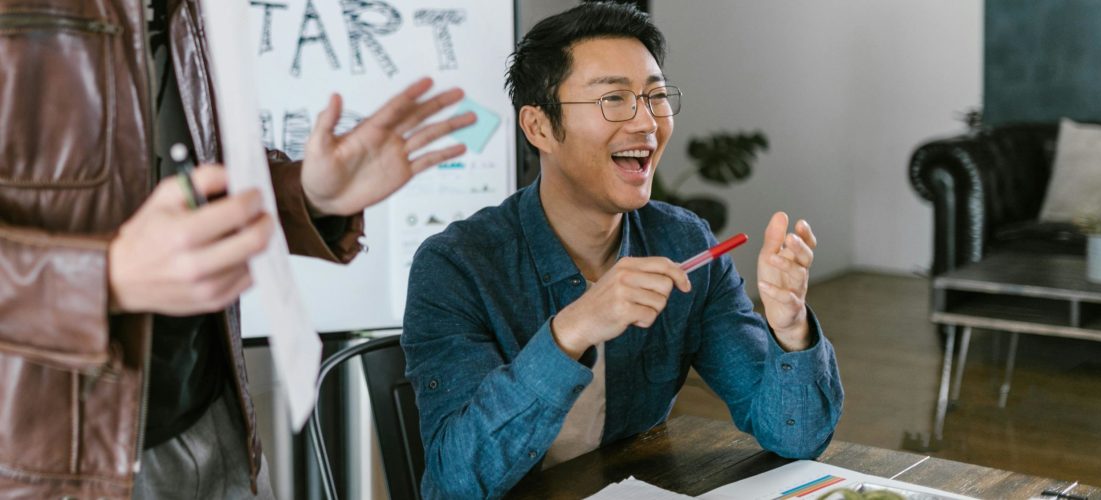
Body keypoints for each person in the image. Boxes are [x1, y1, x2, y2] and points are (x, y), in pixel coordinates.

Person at [0, 0, 474, 497]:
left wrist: (305, 195)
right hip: (44, 465)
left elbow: (178, 174)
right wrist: (104, 278)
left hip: (215, 427)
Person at [401, 2, 844, 498]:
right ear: (538, 127)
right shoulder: (456, 266)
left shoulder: (684, 243)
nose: (647, 123)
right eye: (613, 98)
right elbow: (458, 481)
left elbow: (795, 436)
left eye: (655, 96)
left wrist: (790, 329)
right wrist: (574, 328)